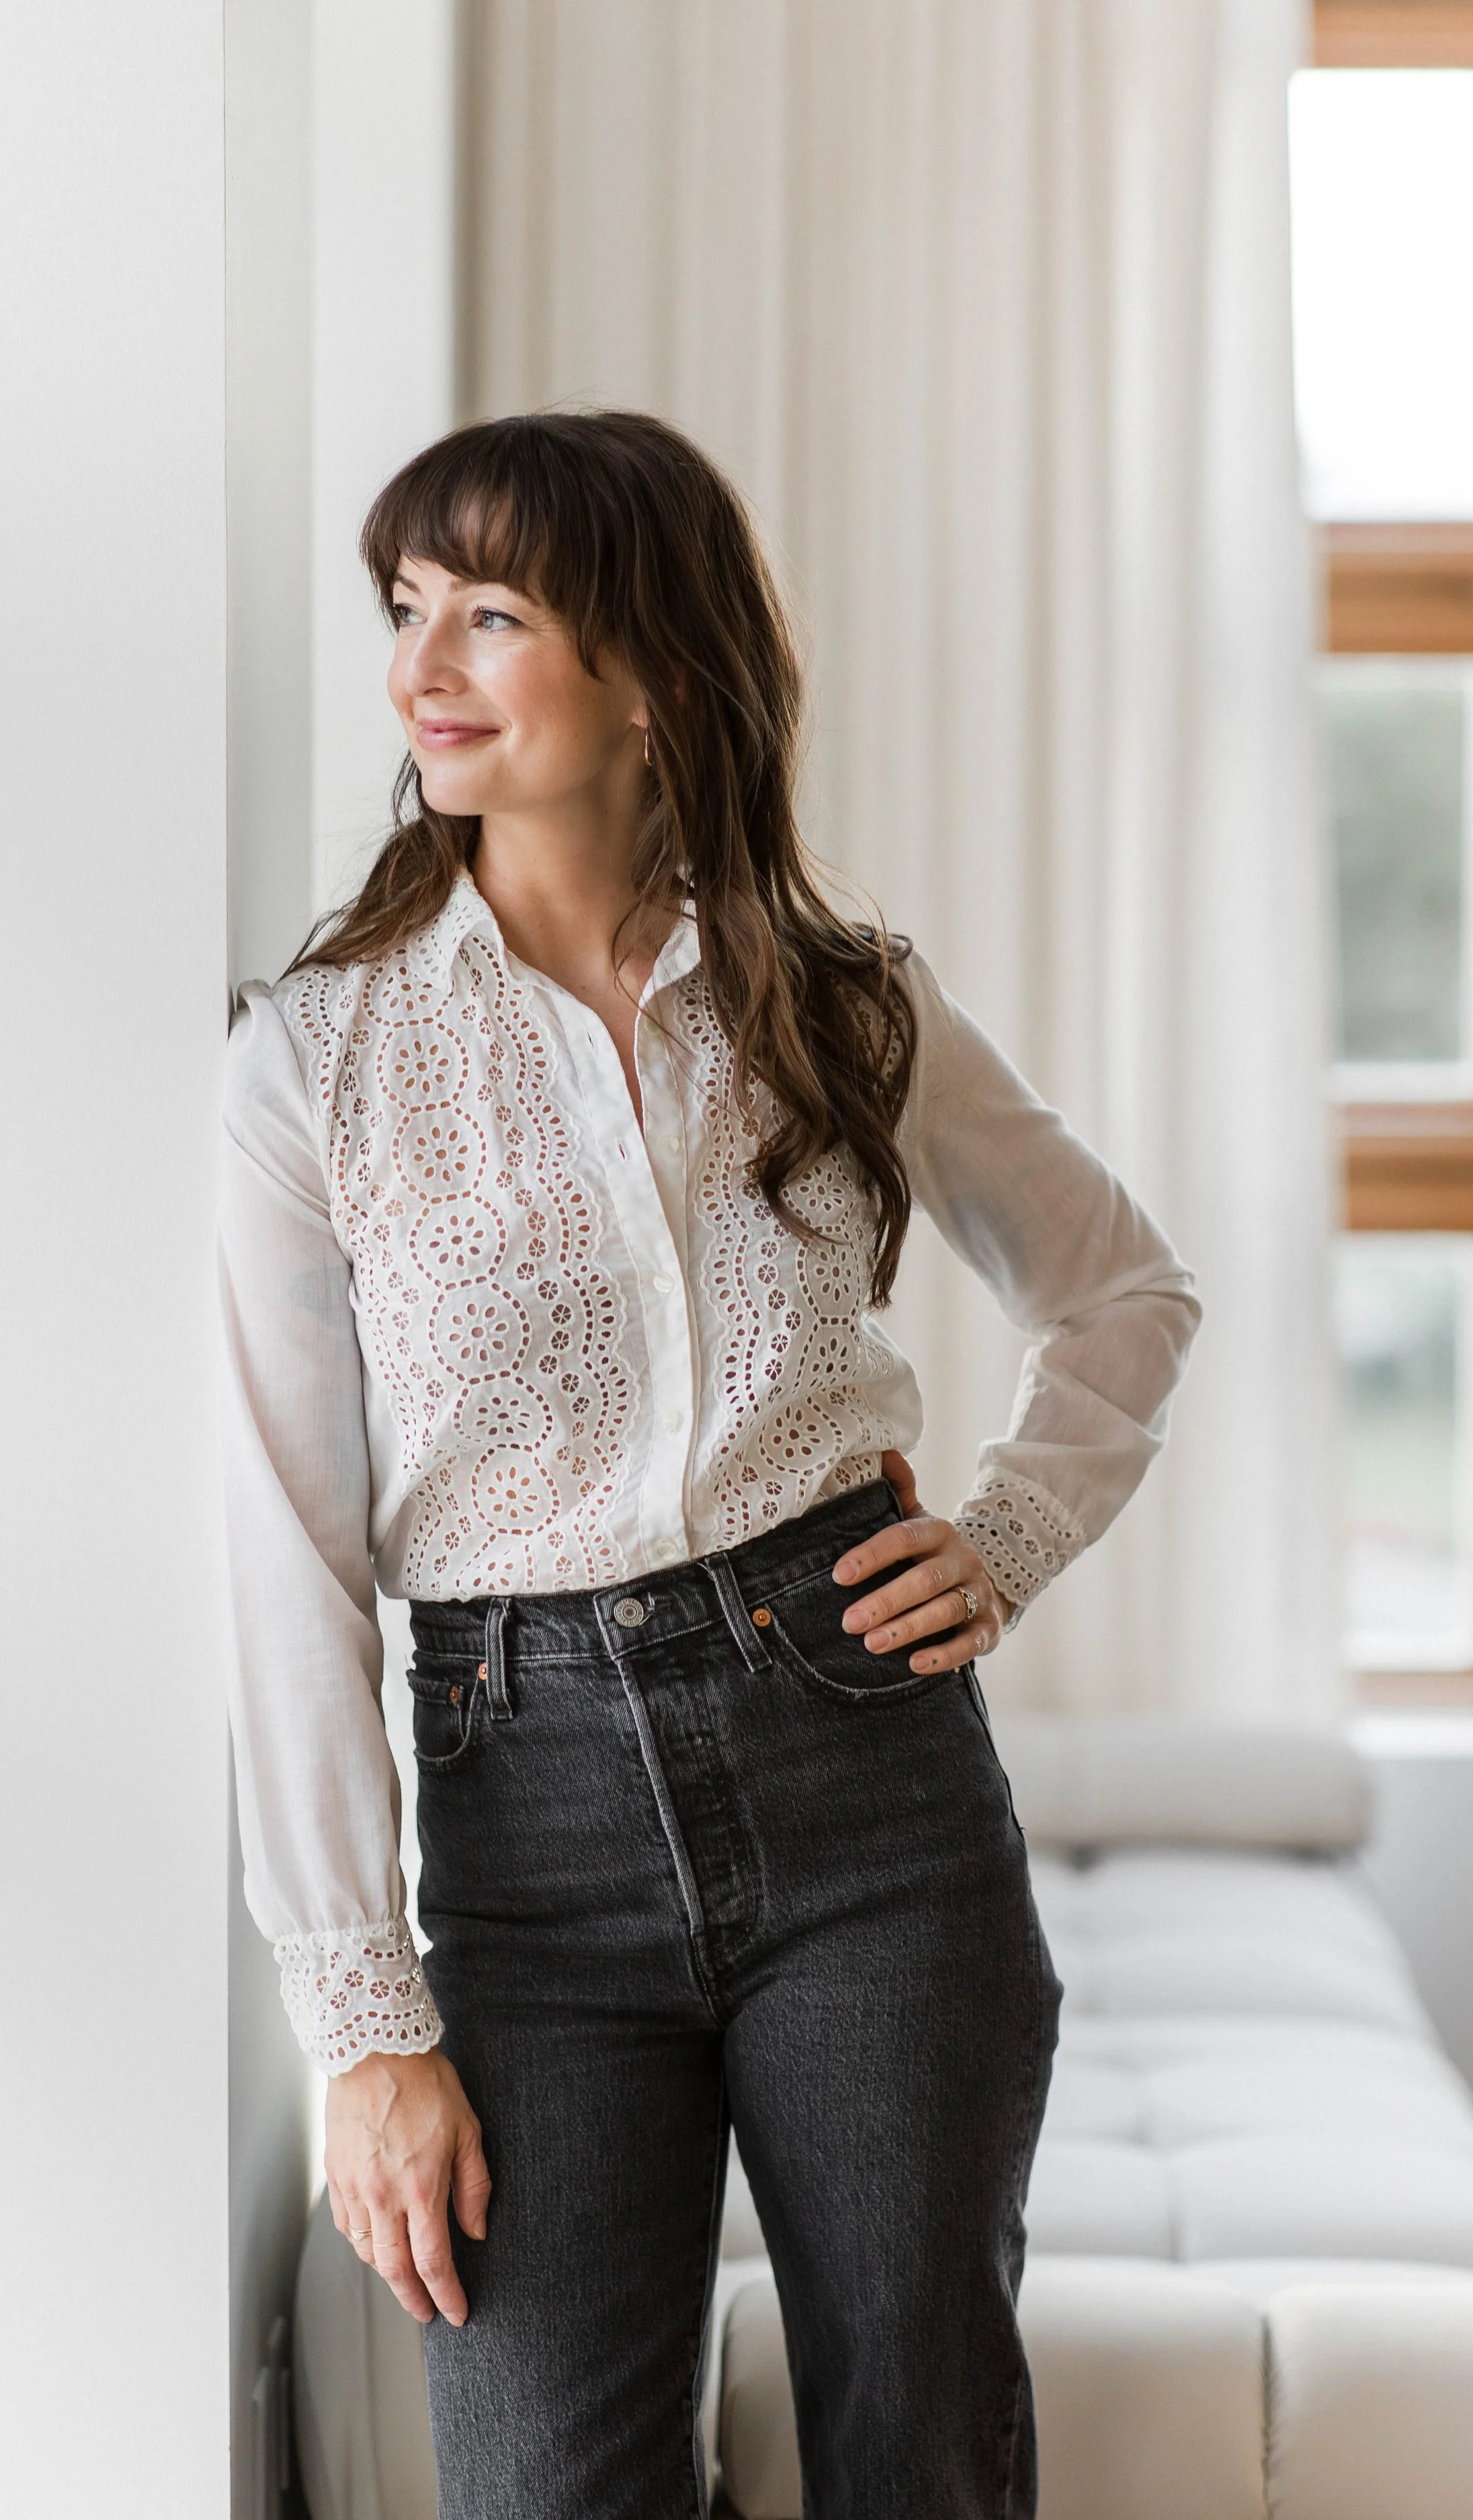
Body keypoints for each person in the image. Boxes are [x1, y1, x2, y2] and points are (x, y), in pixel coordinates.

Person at [218, 409, 1200, 2519]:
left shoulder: (832, 993)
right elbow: (283, 1554)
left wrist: (1009, 1535)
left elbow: (1123, 1291)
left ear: (650, 665)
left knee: (914, 2459)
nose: (423, 666)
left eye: (492, 613)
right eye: (406, 609)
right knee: (544, 2485)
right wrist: (359, 2021)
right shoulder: (315, 1059)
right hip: (522, 1816)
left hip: (863, 1780)